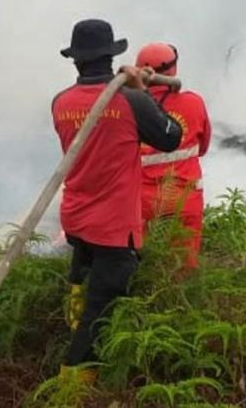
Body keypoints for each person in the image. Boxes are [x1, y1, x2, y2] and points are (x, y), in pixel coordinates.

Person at [52, 19, 182, 370]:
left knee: (82, 278)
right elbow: (171, 137)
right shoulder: (132, 101)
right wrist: (144, 92)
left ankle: (71, 323)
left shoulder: (60, 102)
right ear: (111, 57)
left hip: (77, 218)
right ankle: (73, 383)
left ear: (77, 60)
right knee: (100, 313)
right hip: (113, 226)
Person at [135, 42, 212, 269]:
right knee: (184, 266)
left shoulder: (130, 105)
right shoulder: (194, 103)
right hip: (185, 200)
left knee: (145, 265)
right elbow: (203, 147)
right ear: (173, 70)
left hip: (143, 203)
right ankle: (180, 302)